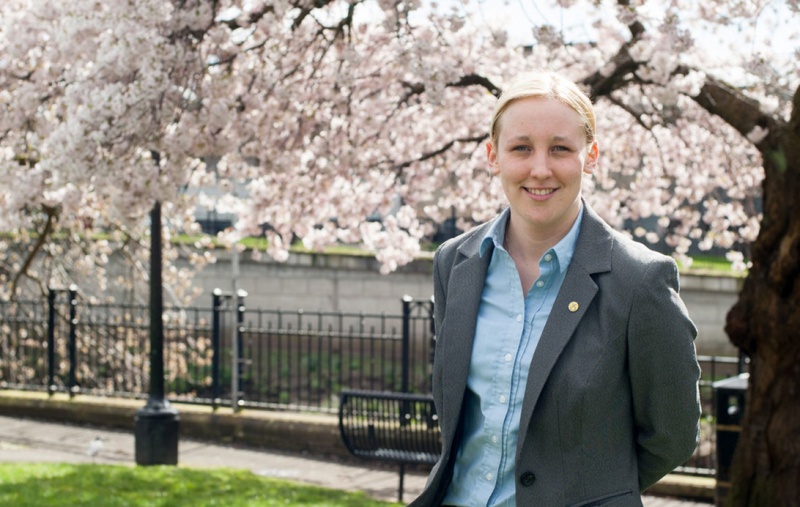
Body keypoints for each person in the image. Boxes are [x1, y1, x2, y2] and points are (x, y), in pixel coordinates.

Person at [408, 70, 701, 507]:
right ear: (494, 156)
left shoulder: (640, 281)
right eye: (521, 148)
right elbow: (456, 409)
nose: (540, 169)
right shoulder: (455, 262)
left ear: (591, 156)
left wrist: (588, 490)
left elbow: (672, 434)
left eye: (561, 149)